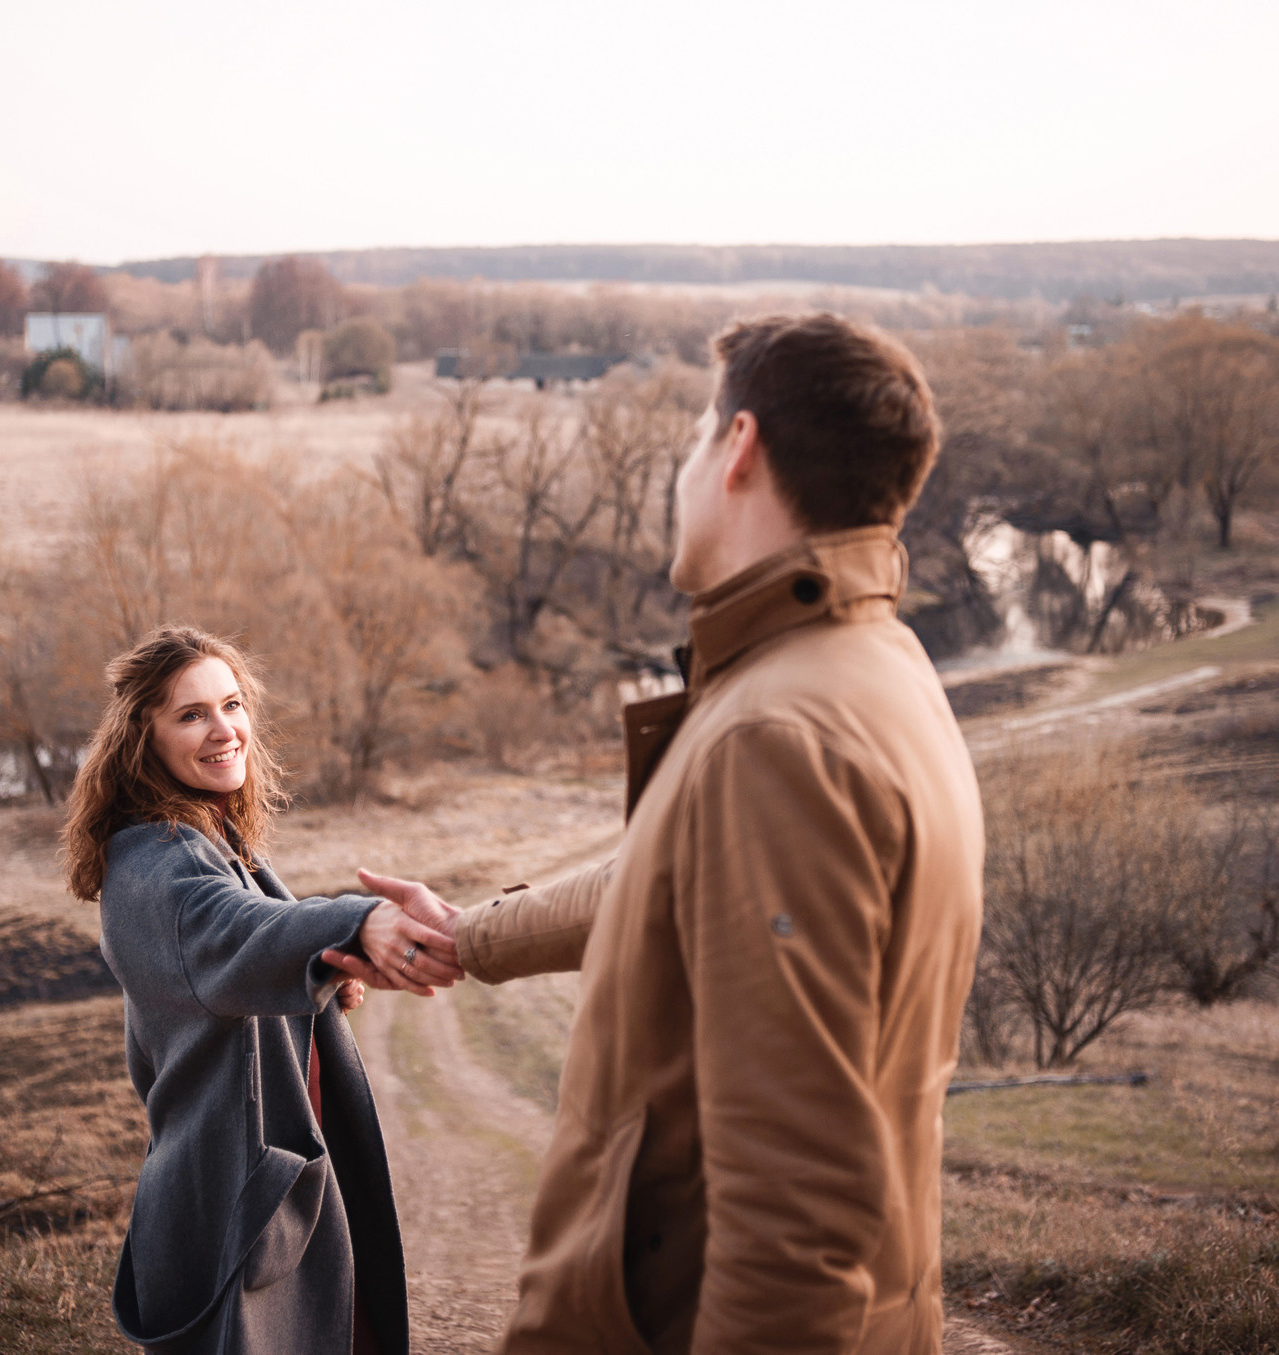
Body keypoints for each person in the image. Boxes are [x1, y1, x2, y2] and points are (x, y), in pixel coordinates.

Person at [339, 313, 984, 1353]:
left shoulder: (775, 732)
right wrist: (472, 935)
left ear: (736, 449)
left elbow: (795, 1206)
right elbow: (678, 874)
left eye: (694, 434)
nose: (682, 466)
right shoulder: (872, 667)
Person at [62, 625, 462, 1355]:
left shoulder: (212, 842)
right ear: (141, 738)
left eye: (233, 704)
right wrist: (357, 920)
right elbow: (233, 931)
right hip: (234, 1216)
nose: (225, 730)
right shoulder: (156, 865)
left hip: (274, 1200)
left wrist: (324, 970)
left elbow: (254, 946)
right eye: (191, 714)